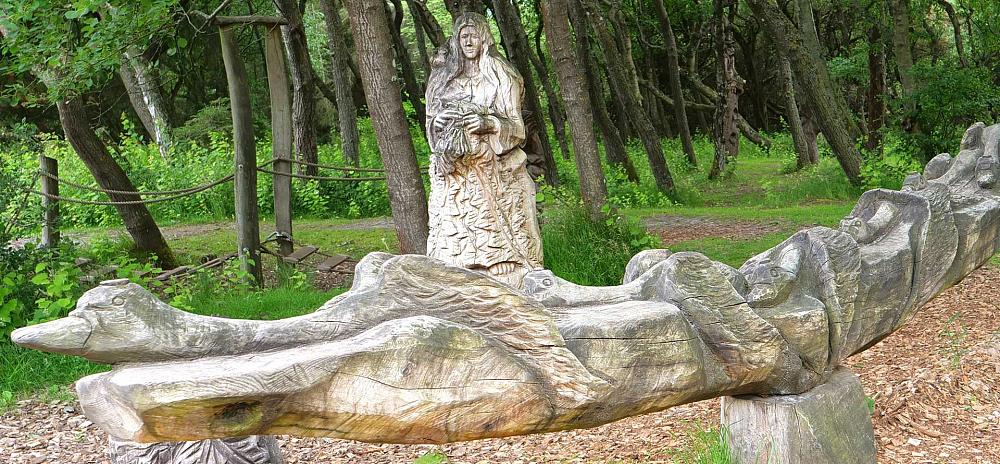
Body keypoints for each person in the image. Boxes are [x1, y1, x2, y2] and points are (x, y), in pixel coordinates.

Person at [424, 13, 542, 288]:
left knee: (490, 218)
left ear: (484, 38)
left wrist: (488, 123)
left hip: (492, 167)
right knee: (455, 227)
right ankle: (455, 267)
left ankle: (502, 264)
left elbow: (517, 128)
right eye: (463, 36)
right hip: (453, 170)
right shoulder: (443, 79)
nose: (468, 41)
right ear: (456, 40)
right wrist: (438, 123)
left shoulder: (501, 76)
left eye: (473, 35)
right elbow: (431, 123)